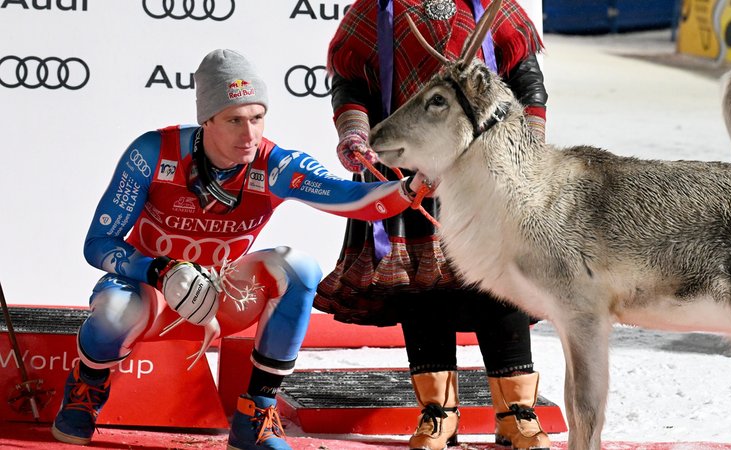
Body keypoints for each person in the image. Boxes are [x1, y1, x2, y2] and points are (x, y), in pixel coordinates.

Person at [50, 48, 428, 450]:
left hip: (220, 294)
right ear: (207, 120)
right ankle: (86, 392)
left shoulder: (275, 163)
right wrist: (160, 269)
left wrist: (410, 187)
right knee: (111, 312)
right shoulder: (153, 152)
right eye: (233, 120)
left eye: (257, 118)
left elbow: (350, 196)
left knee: (299, 267)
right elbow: (98, 244)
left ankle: (255, 416)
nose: (249, 135)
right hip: (153, 294)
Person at [314, 1, 551, 449]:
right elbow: (350, 82)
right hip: (407, 166)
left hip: (487, 170)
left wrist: (529, 142)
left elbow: (526, 76)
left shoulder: (492, 6)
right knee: (420, 286)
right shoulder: (376, 9)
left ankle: (517, 414)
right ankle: (437, 414)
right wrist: (355, 134)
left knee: (501, 284)